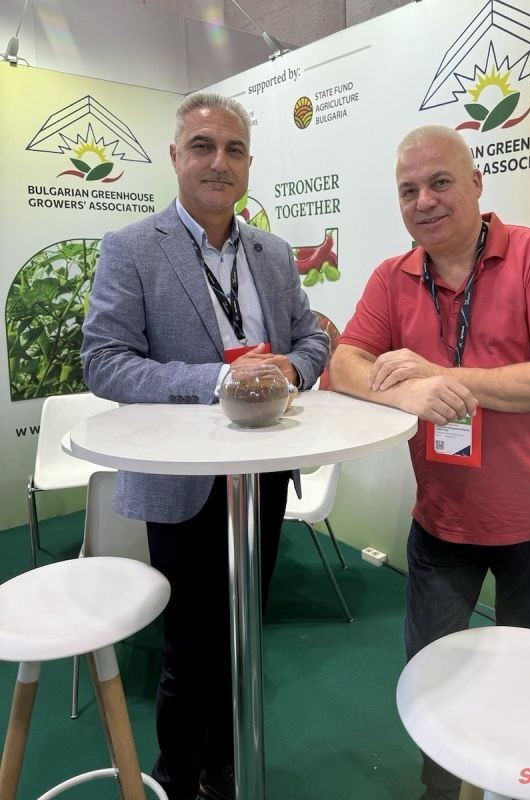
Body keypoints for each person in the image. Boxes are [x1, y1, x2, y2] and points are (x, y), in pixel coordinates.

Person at [329, 125, 530, 800]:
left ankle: (511, 785)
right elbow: (343, 362)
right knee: (434, 678)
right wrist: (408, 391)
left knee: (521, 678)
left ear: (476, 184)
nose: (424, 201)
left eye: (440, 182)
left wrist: (442, 376)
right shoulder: (392, 277)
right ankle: (441, 791)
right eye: (408, 190)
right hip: (441, 520)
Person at [81, 92, 329, 800]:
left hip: (263, 473)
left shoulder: (273, 253)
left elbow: (312, 337)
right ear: (174, 157)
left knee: (244, 630)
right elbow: (104, 362)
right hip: (183, 478)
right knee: (190, 643)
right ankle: (178, 774)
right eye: (202, 146)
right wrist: (217, 378)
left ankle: (227, 764)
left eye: (234, 149)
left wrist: (290, 370)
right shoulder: (131, 248)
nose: (219, 162)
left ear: (248, 163)